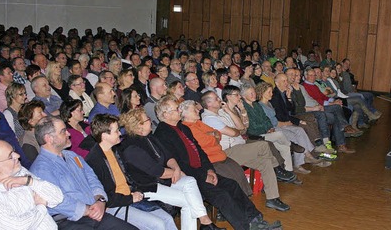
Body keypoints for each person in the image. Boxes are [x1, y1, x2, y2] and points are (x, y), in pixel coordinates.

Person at [153, 96, 281, 230]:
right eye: (176, 109)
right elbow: (179, 164)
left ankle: (255, 219)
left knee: (232, 185)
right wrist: (203, 176)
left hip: (203, 171)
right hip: (189, 177)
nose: (179, 110)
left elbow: (200, 151)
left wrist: (209, 170)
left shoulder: (183, 128)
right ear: (165, 114)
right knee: (222, 195)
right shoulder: (162, 134)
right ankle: (247, 226)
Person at [116, 109, 223, 230]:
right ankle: (206, 223)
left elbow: (168, 156)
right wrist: (177, 172)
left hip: (164, 180)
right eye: (147, 119)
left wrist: (176, 168)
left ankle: (205, 223)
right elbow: (157, 172)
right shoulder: (131, 148)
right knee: (188, 201)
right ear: (139, 126)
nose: (151, 121)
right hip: (148, 186)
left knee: (190, 181)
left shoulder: (149, 137)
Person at [30, 116, 139, 230]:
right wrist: (87, 210)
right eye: (63, 131)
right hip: (70, 221)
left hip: (95, 212)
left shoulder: (72, 156)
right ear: (49, 139)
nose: (68, 133)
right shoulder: (41, 169)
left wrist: (100, 200)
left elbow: (92, 179)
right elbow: (57, 201)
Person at [181, 100, 292, 211]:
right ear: (184, 113)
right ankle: (277, 168)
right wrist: (213, 136)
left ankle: (272, 198)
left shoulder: (199, 123)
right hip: (223, 154)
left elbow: (217, 134)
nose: (197, 110)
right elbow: (207, 141)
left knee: (265, 162)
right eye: (193, 109)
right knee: (263, 146)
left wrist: (213, 135)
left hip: (225, 152)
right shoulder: (187, 127)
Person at [85, 114, 178, 230]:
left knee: (167, 219)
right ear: (104, 136)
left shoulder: (115, 150)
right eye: (116, 131)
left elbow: (130, 177)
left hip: (130, 196)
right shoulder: (95, 161)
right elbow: (106, 196)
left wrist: (135, 192)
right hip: (116, 205)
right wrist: (130, 198)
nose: (120, 133)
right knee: (157, 224)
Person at [0, 140, 64, 230]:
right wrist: (41, 206)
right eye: (11, 156)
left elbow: (57, 197)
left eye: (14, 151)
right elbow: (18, 227)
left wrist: (29, 181)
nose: (17, 155)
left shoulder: (19, 172)